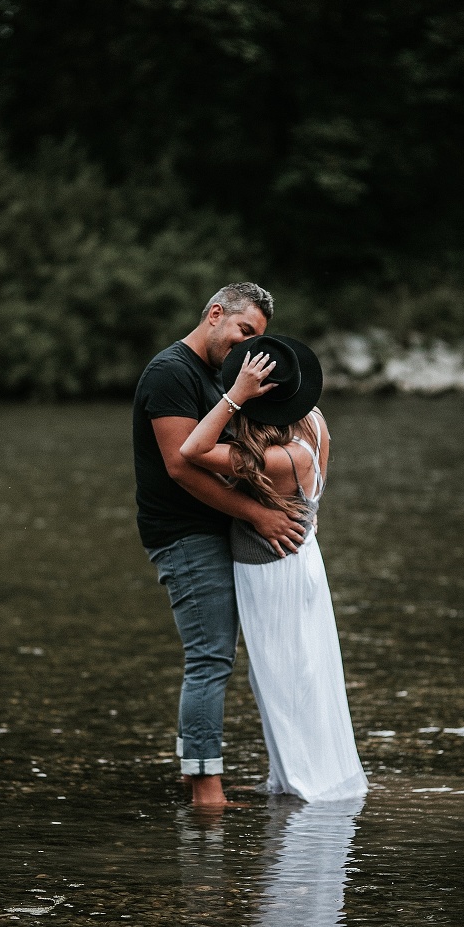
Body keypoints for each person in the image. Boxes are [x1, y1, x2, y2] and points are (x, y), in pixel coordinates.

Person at [132, 284, 306, 807]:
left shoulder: (218, 373)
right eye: (243, 333)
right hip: (183, 533)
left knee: (215, 655)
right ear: (214, 315)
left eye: (257, 339)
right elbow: (181, 466)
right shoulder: (171, 372)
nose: (247, 348)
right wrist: (258, 513)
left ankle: (195, 779)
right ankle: (207, 790)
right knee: (209, 658)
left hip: (211, 529)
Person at [179, 334, 368, 802]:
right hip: (303, 560)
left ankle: (303, 785)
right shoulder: (316, 425)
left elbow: (192, 451)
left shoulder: (276, 458)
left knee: (280, 679)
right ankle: (290, 777)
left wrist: (232, 396)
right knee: (308, 671)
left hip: (270, 573)